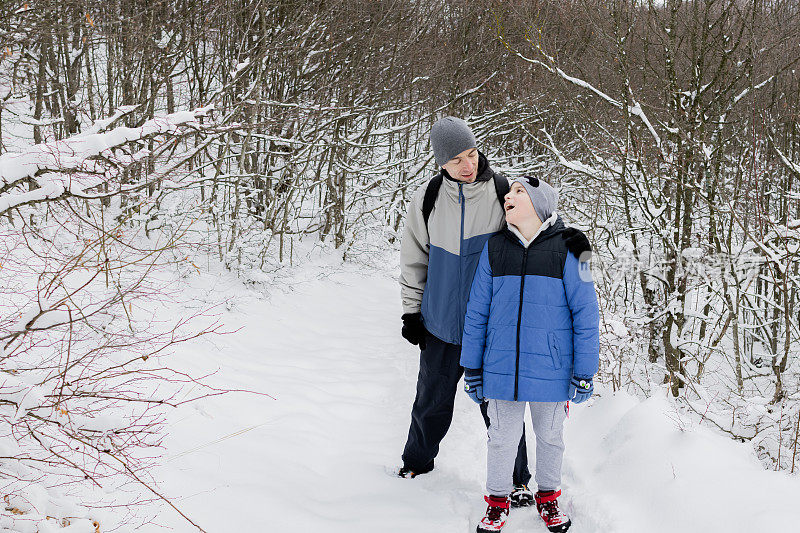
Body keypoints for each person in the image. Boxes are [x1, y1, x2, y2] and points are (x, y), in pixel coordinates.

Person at [398, 116, 590, 509]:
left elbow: (537, 222)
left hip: (493, 329)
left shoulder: (501, 190)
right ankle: (416, 462)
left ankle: (517, 480)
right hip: (441, 323)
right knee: (431, 400)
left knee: (503, 410)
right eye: (456, 161)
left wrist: (573, 240)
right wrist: (411, 312)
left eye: (471, 154)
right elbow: (414, 258)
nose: (467, 165)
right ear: (441, 164)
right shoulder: (429, 198)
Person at [460, 176, 599, 533]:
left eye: (519, 191)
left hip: (552, 369)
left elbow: (587, 313)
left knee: (550, 437)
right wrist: (472, 367)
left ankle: (549, 497)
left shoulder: (574, 249)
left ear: (541, 205)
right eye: (509, 192)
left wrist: (584, 370)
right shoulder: (495, 248)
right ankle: (496, 501)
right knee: (501, 438)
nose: (509, 195)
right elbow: (477, 311)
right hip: (500, 367)